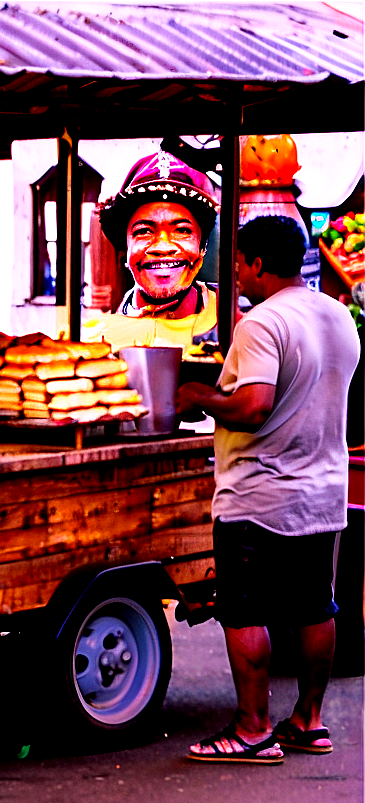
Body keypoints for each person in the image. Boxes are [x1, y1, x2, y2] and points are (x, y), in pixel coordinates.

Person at [175, 215, 360, 764]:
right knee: (314, 607)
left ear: (257, 264)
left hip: (260, 491)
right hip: (323, 489)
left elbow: (253, 408)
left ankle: (252, 728)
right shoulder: (337, 315)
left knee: (244, 609)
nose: (235, 273)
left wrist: (199, 397)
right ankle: (309, 720)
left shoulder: (262, 323)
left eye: (237, 263)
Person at [95, 150, 221, 354]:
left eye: (182, 230)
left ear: (202, 246)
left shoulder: (231, 321)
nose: (162, 247)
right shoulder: (99, 340)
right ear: (126, 248)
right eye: (143, 231)